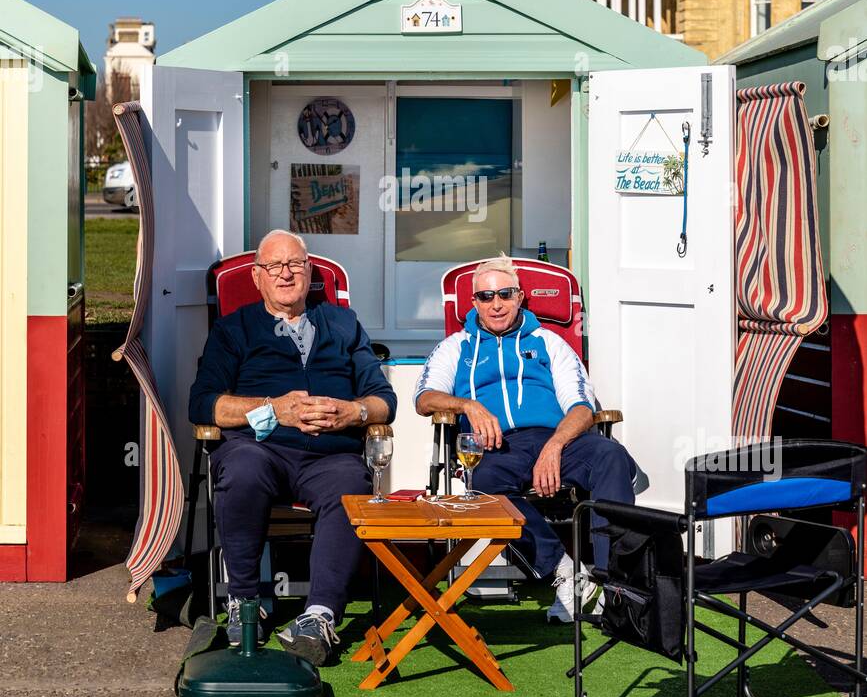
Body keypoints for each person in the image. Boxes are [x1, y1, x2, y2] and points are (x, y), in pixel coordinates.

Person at [188, 229, 396, 664]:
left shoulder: (342, 323)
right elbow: (204, 404)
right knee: (242, 470)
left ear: (308, 272)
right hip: (260, 449)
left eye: (295, 265)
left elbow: (383, 399)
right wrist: (273, 408)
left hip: (329, 454)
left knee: (350, 486)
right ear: (257, 277)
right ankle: (245, 603)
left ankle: (318, 617)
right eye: (274, 266)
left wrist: (352, 413)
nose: (286, 274)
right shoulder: (234, 329)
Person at [414, 254, 636, 622]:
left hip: (556, 439)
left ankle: (615, 587)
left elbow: (581, 407)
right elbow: (424, 399)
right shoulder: (456, 347)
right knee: (483, 484)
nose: (496, 303)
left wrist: (554, 446)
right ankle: (566, 575)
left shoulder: (548, 342)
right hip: (495, 448)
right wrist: (468, 405)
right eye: (486, 297)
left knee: (610, 455)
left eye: (505, 294)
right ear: (474, 303)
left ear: (520, 297)